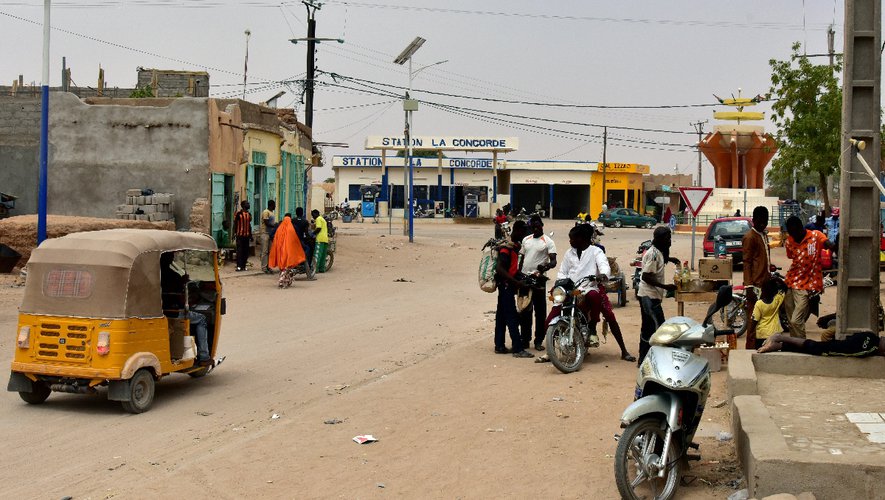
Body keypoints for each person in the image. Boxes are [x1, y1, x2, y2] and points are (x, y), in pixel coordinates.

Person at [555, 223, 636, 361]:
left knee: (609, 315)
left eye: (572, 239)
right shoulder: (569, 253)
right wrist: (560, 281)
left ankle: (621, 348)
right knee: (555, 311)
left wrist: (603, 275)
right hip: (573, 290)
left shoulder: (596, 251)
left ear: (582, 238)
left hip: (592, 287)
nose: (570, 241)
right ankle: (552, 348)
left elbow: (604, 266)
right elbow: (562, 272)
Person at [783, 215, 834, 338]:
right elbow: (791, 257)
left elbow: (828, 244)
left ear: (800, 228)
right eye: (790, 233)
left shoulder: (816, 236)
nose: (792, 236)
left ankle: (802, 344)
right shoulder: (789, 241)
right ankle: (795, 344)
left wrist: (834, 244)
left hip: (806, 286)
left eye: (793, 232)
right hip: (790, 282)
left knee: (796, 320)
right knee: (791, 322)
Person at [637, 226, 681, 365]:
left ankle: (643, 358)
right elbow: (646, 276)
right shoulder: (653, 254)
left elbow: (661, 262)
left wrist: (672, 259)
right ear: (660, 239)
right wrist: (665, 287)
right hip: (648, 297)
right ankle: (658, 359)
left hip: (651, 296)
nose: (670, 241)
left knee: (647, 328)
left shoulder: (659, 253)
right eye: (668, 238)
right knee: (659, 327)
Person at [160, 252, 212, 366]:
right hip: (174, 313)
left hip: (160, 312)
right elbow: (181, 299)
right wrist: (183, 281)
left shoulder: (153, 275)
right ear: (170, 259)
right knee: (202, 318)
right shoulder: (174, 276)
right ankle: (204, 356)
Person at [494, 220, 533, 358]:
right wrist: (516, 282)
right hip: (506, 286)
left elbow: (512, 269)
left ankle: (499, 345)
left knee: (501, 316)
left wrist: (521, 277)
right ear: (517, 231)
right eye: (523, 232)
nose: (524, 235)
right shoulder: (507, 248)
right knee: (511, 317)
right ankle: (517, 348)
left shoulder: (514, 247)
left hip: (506, 285)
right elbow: (500, 269)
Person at [518, 215, 557, 351]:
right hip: (525, 279)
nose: (535, 228)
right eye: (533, 226)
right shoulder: (526, 240)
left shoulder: (548, 242)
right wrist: (519, 274)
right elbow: (521, 259)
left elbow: (553, 261)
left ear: (542, 225)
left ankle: (538, 340)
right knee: (525, 311)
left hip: (539, 279)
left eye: (537, 225)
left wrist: (545, 267)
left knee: (540, 312)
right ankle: (525, 340)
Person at [741, 206, 771, 349]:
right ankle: (749, 351)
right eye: (760, 221)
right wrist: (749, 287)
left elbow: (760, 258)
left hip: (765, 285)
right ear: (753, 220)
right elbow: (746, 263)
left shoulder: (763, 235)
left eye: (765, 221)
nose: (762, 224)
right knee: (753, 322)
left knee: (762, 322)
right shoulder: (750, 237)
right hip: (755, 286)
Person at [758, 330, 883, 358]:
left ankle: (780, 345)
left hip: (868, 339)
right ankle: (781, 338)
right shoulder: (871, 348)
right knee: (819, 348)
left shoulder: (872, 337)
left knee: (818, 348)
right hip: (865, 345)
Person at [269, 213, 307, 288]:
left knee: (282, 266)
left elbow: (272, 235)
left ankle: (285, 280)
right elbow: (298, 237)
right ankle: (282, 281)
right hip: (289, 250)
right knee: (287, 266)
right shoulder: (292, 228)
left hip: (280, 249)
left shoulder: (279, 227)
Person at [748, 278, 786, 350]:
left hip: (762, 335)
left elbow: (754, 320)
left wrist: (750, 332)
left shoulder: (759, 304)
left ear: (763, 290)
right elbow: (785, 288)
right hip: (775, 333)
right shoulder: (777, 299)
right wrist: (777, 279)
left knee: (761, 352)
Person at [259, 200, 277, 274]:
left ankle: (268, 266)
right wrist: (274, 225)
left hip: (270, 234)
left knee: (270, 251)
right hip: (265, 233)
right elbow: (266, 222)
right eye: (274, 205)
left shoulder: (272, 213)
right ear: (271, 205)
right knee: (264, 251)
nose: (275, 206)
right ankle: (264, 267)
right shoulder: (266, 212)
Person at [233, 200, 252, 272]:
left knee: (246, 251)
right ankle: (239, 266)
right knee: (239, 251)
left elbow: (249, 225)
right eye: (247, 203)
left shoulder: (249, 214)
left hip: (246, 236)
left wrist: (250, 235)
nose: (248, 204)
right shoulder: (238, 214)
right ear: (243, 205)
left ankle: (243, 265)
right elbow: (235, 224)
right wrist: (234, 233)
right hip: (240, 235)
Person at [311, 209, 330, 273]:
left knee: (317, 255)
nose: (313, 217)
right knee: (323, 255)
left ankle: (315, 269)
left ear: (315, 214)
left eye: (313, 215)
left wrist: (313, 233)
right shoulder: (322, 219)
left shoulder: (318, 219)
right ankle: (322, 269)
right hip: (325, 239)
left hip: (320, 239)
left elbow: (318, 228)